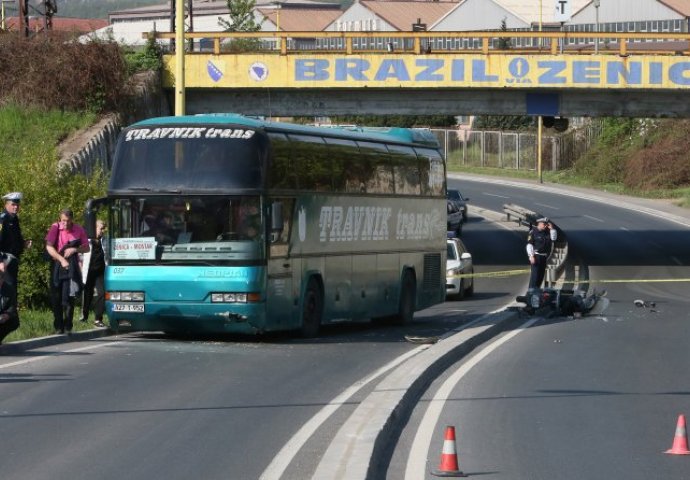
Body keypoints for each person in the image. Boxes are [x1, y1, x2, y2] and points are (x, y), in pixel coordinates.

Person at [45, 209, 90, 334]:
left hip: (72, 265)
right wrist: (61, 259)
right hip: (57, 264)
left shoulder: (78, 229)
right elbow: (49, 246)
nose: (64, 223)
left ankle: (68, 324)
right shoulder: (55, 227)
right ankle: (58, 325)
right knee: (56, 295)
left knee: (70, 295)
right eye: (62, 220)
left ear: (72, 220)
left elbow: (86, 248)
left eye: (67, 220)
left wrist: (74, 249)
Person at [0, 192, 32, 287]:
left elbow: (13, 240)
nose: (16, 207)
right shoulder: (2, 219)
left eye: (17, 205)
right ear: (6, 204)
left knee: (11, 294)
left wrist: (23, 244)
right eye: (13, 204)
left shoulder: (14, 219)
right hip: (4, 261)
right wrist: (0, 262)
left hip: (12, 260)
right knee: (5, 295)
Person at [80, 220, 106, 328]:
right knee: (87, 294)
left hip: (100, 272)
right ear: (94, 228)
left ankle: (98, 319)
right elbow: (80, 256)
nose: (103, 231)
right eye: (101, 228)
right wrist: (80, 268)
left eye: (104, 229)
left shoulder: (105, 241)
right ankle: (84, 316)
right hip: (89, 271)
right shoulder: (87, 240)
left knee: (101, 293)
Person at [526, 217, 558, 290]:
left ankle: (537, 292)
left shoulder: (547, 232)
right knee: (535, 276)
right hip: (536, 256)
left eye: (546, 224)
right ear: (539, 224)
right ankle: (530, 292)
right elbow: (529, 244)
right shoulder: (533, 232)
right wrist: (531, 256)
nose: (545, 226)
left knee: (541, 276)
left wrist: (552, 229)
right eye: (544, 224)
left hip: (544, 257)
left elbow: (554, 238)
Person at [0, 260, 19, 344]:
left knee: (14, 321)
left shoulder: (9, 289)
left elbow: (13, 306)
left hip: (1, 316)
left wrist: (7, 315)